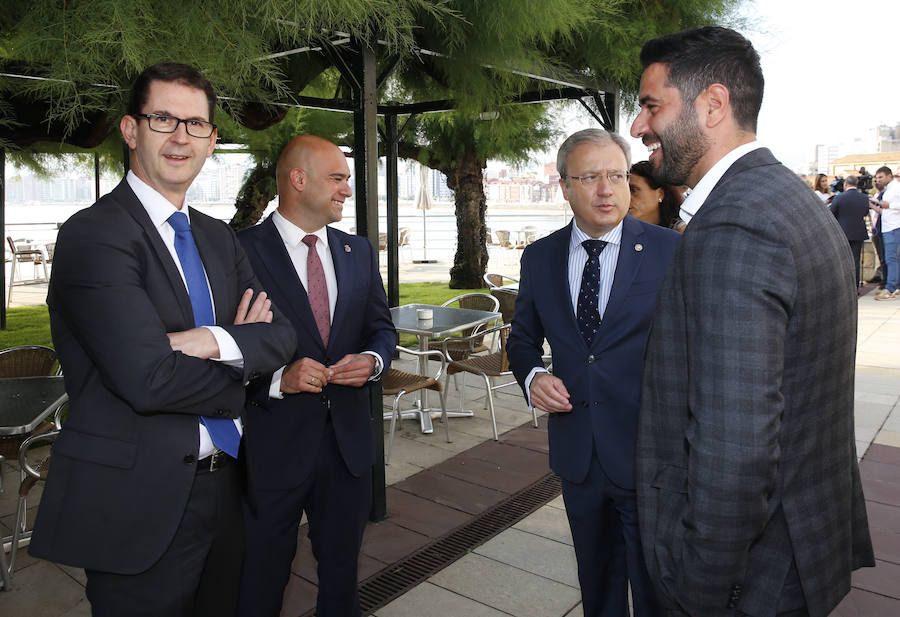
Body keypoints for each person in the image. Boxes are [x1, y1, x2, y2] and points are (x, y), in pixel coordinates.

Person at [29, 62, 297, 617]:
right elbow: (148, 379)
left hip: (228, 487)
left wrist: (206, 338)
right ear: (130, 130)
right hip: (138, 503)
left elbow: (282, 336)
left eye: (196, 124)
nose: (181, 136)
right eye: (163, 119)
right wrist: (240, 355)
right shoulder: (95, 235)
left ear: (212, 141)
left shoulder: (218, 237)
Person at [630, 26, 873, 617]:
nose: (638, 128)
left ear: (713, 105)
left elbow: (735, 449)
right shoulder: (787, 198)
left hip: (746, 581)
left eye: (650, 106)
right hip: (794, 548)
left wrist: (699, 588)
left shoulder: (735, 225)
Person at [507, 128, 680, 617]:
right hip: (579, 456)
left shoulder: (671, 252)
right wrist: (533, 376)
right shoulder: (539, 256)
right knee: (598, 586)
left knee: (657, 593)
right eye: (590, 178)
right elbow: (521, 340)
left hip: (651, 457)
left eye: (617, 176)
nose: (606, 190)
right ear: (564, 186)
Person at [236, 135, 396, 617]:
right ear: (298, 180)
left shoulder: (359, 251)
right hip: (271, 449)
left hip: (347, 448)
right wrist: (274, 379)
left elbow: (381, 327)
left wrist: (373, 361)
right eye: (338, 178)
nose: (347, 189)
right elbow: (220, 348)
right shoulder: (237, 252)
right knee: (259, 580)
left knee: (342, 580)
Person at [829, 174, 870, 287]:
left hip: (842, 232)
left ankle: (844, 286)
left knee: (842, 261)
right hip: (858, 232)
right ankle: (854, 287)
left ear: (846, 184)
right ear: (856, 185)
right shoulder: (864, 198)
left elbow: (832, 213)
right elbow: (865, 212)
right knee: (855, 260)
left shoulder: (839, 197)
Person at [629, 160, 687, 231]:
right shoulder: (619, 231)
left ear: (660, 194)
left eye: (633, 190)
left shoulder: (682, 234)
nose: (627, 197)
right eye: (626, 191)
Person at [871, 166, 900, 300]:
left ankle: (890, 288)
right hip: (889, 227)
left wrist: (888, 205)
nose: (878, 180)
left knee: (891, 259)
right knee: (893, 259)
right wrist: (876, 204)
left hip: (893, 228)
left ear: (889, 176)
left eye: (881, 177)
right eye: (877, 178)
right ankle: (895, 287)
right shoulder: (889, 189)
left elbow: (891, 206)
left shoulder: (896, 187)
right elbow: (886, 210)